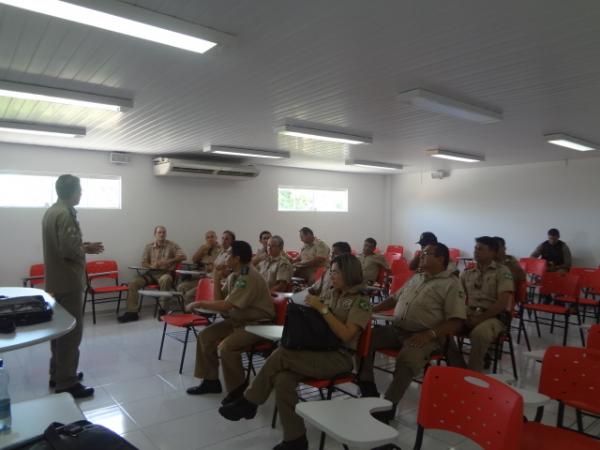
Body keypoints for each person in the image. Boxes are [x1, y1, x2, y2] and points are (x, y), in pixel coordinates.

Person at [218, 254, 372, 450]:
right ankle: (295, 439)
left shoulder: (361, 301)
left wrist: (322, 309)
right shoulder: (333, 292)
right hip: (319, 351)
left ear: (348, 274)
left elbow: (347, 335)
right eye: (331, 272)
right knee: (283, 380)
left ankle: (249, 401)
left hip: (339, 358)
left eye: (335, 273)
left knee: (282, 354)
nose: (331, 276)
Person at [357, 243, 466, 423]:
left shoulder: (451, 284)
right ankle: (368, 387)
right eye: (422, 253)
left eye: (426, 253)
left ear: (440, 258)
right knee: (365, 339)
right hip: (397, 329)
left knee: (408, 359)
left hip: (426, 335)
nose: (421, 256)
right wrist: (372, 309)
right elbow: (394, 299)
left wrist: (429, 334)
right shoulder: (417, 277)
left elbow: (456, 321)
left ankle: (388, 406)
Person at [185, 240, 275, 403]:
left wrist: (199, 303)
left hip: (258, 325)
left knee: (227, 347)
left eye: (228, 254)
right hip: (239, 321)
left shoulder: (248, 276)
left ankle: (238, 392)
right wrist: (216, 275)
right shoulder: (236, 275)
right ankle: (210, 381)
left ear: (236, 258)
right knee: (206, 336)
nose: (225, 256)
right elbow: (219, 301)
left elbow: (226, 305)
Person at [42, 174, 104, 398]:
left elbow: (63, 244)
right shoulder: (65, 213)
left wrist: (82, 245)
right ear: (73, 191)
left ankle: (57, 373)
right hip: (68, 281)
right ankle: (67, 382)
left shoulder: (51, 211)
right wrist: (86, 249)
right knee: (70, 333)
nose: (82, 193)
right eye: (80, 190)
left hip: (56, 281)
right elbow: (68, 250)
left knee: (58, 331)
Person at [450, 236, 514, 372]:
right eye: (475, 248)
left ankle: (473, 375)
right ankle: (457, 366)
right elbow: (458, 297)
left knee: (479, 334)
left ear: (492, 253)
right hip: (470, 312)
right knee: (442, 326)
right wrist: (461, 314)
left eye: (480, 249)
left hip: (493, 316)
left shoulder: (502, 272)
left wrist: (479, 319)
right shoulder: (468, 273)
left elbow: (502, 302)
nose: (476, 251)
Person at [117, 226, 186, 323]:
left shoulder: (172, 245)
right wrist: (151, 265)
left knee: (165, 279)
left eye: (163, 232)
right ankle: (132, 313)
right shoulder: (149, 247)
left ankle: (163, 310)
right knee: (133, 282)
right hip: (151, 273)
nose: (162, 234)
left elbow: (183, 256)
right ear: (155, 234)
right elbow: (143, 262)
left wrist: (167, 261)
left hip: (165, 273)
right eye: (159, 232)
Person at [177, 230, 221, 303]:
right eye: (208, 237)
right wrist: (202, 249)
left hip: (211, 279)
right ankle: (188, 309)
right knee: (181, 287)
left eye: (212, 237)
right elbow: (194, 260)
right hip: (201, 277)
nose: (210, 239)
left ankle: (195, 310)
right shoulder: (203, 247)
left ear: (216, 238)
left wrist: (211, 267)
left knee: (188, 295)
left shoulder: (221, 249)